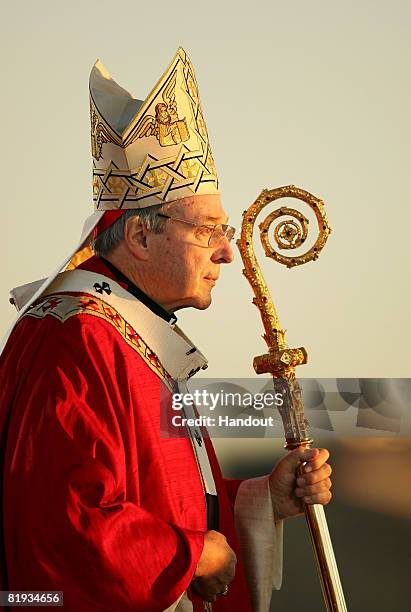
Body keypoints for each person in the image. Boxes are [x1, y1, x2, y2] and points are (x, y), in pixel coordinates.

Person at [0, 48, 332, 612]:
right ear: (141, 237)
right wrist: (191, 556)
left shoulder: (134, 336)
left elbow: (161, 502)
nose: (229, 252)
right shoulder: (75, 338)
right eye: (208, 230)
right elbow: (63, 530)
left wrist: (259, 501)